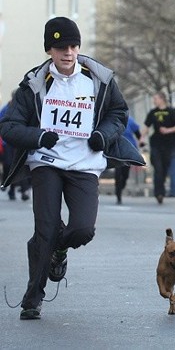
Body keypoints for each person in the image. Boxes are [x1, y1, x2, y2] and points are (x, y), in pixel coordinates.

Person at [0, 16, 145, 320]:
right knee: (47, 228)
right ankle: (33, 297)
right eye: (60, 47)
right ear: (49, 51)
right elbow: (9, 126)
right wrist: (39, 136)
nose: (68, 52)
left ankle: (58, 249)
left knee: (82, 229)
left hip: (84, 164)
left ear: (78, 48)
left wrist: (102, 135)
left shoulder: (98, 80)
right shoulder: (33, 86)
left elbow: (119, 113)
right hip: (46, 163)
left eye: (73, 45)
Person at [141, 92, 175, 204]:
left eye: (155, 98)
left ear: (162, 99)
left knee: (164, 168)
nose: (154, 101)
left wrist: (168, 130)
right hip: (156, 143)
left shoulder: (171, 112)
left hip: (168, 144)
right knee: (158, 168)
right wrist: (141, 138)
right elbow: (146, 126)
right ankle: (159, 193)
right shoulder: (153, 112)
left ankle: (162, 189)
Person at [0, 90, 31, 201]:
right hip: (8, 143)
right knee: (9, 165)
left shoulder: (26, 107)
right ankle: (11, 189)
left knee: (20, 165)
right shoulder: (6, 109)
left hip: (21, 142)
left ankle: (23, 190)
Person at [113, 115, 142, 204]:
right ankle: (118, 194)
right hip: (116, 149)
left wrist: (141, 142)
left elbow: (138, 134)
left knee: (125, 174)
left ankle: (122, 186)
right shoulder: (112, 119)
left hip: (128, 149)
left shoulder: (130, 121)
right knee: (118, 173)